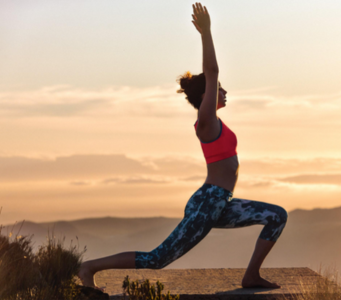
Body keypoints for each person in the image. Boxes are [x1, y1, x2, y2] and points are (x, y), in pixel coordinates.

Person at [77, 2, 287, 291]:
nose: (225, 91)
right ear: (206, 95)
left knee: (277, 215)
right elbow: (211, 70)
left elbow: (213, 79)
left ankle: (251, 276)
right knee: (158, 258)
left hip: (220, 201)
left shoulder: (217, 124)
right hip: (207, 203)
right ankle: (88, 267)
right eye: (219, 88)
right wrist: (206, 33)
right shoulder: (206, 122)